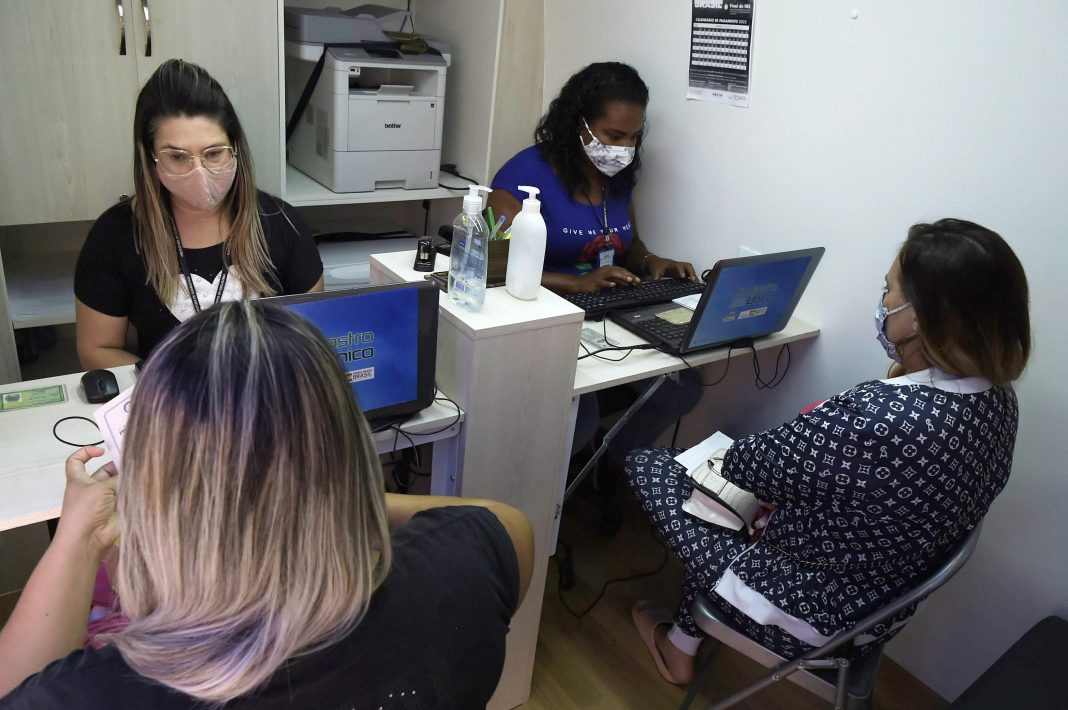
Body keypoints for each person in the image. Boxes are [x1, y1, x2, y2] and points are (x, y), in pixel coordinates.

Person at [0, 301, 534, 709]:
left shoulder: (99, 693)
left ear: (162, 499)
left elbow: (16, 693)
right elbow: (502, 519)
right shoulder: (471, 562)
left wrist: (78, 536)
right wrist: (328, 487)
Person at [626, 219, 1031, 685]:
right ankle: (681, 642)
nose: (884, 302)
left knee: (653, 465)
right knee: (733, 506)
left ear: (920, 316)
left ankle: (687, 637)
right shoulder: (999, 400)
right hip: (875, 609)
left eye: (889, 291)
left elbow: (743, 466)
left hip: (800, 609)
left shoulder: (882, 415)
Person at [488, 61, 701, 467]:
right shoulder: (522, 176)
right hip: (546, 314)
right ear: (578, 124)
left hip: (609, 311)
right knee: (580, 416)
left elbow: (626, 242)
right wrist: (576, 284)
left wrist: (652, 260)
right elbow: (493, 266)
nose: (624, 149)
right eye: (614, 136)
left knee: (682, 388)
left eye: (633, 137)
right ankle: (546, 489)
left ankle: (606, 466)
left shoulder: (615, 175)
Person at [74, 59, 323, 369]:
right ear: (150, 158)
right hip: (166, 392)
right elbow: (97, 348)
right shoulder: (115, 236)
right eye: (178, 157)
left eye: (214, 153)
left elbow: (313, 337)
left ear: (235, 148)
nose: (199, 172)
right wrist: (177, 385)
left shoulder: (282, 223)